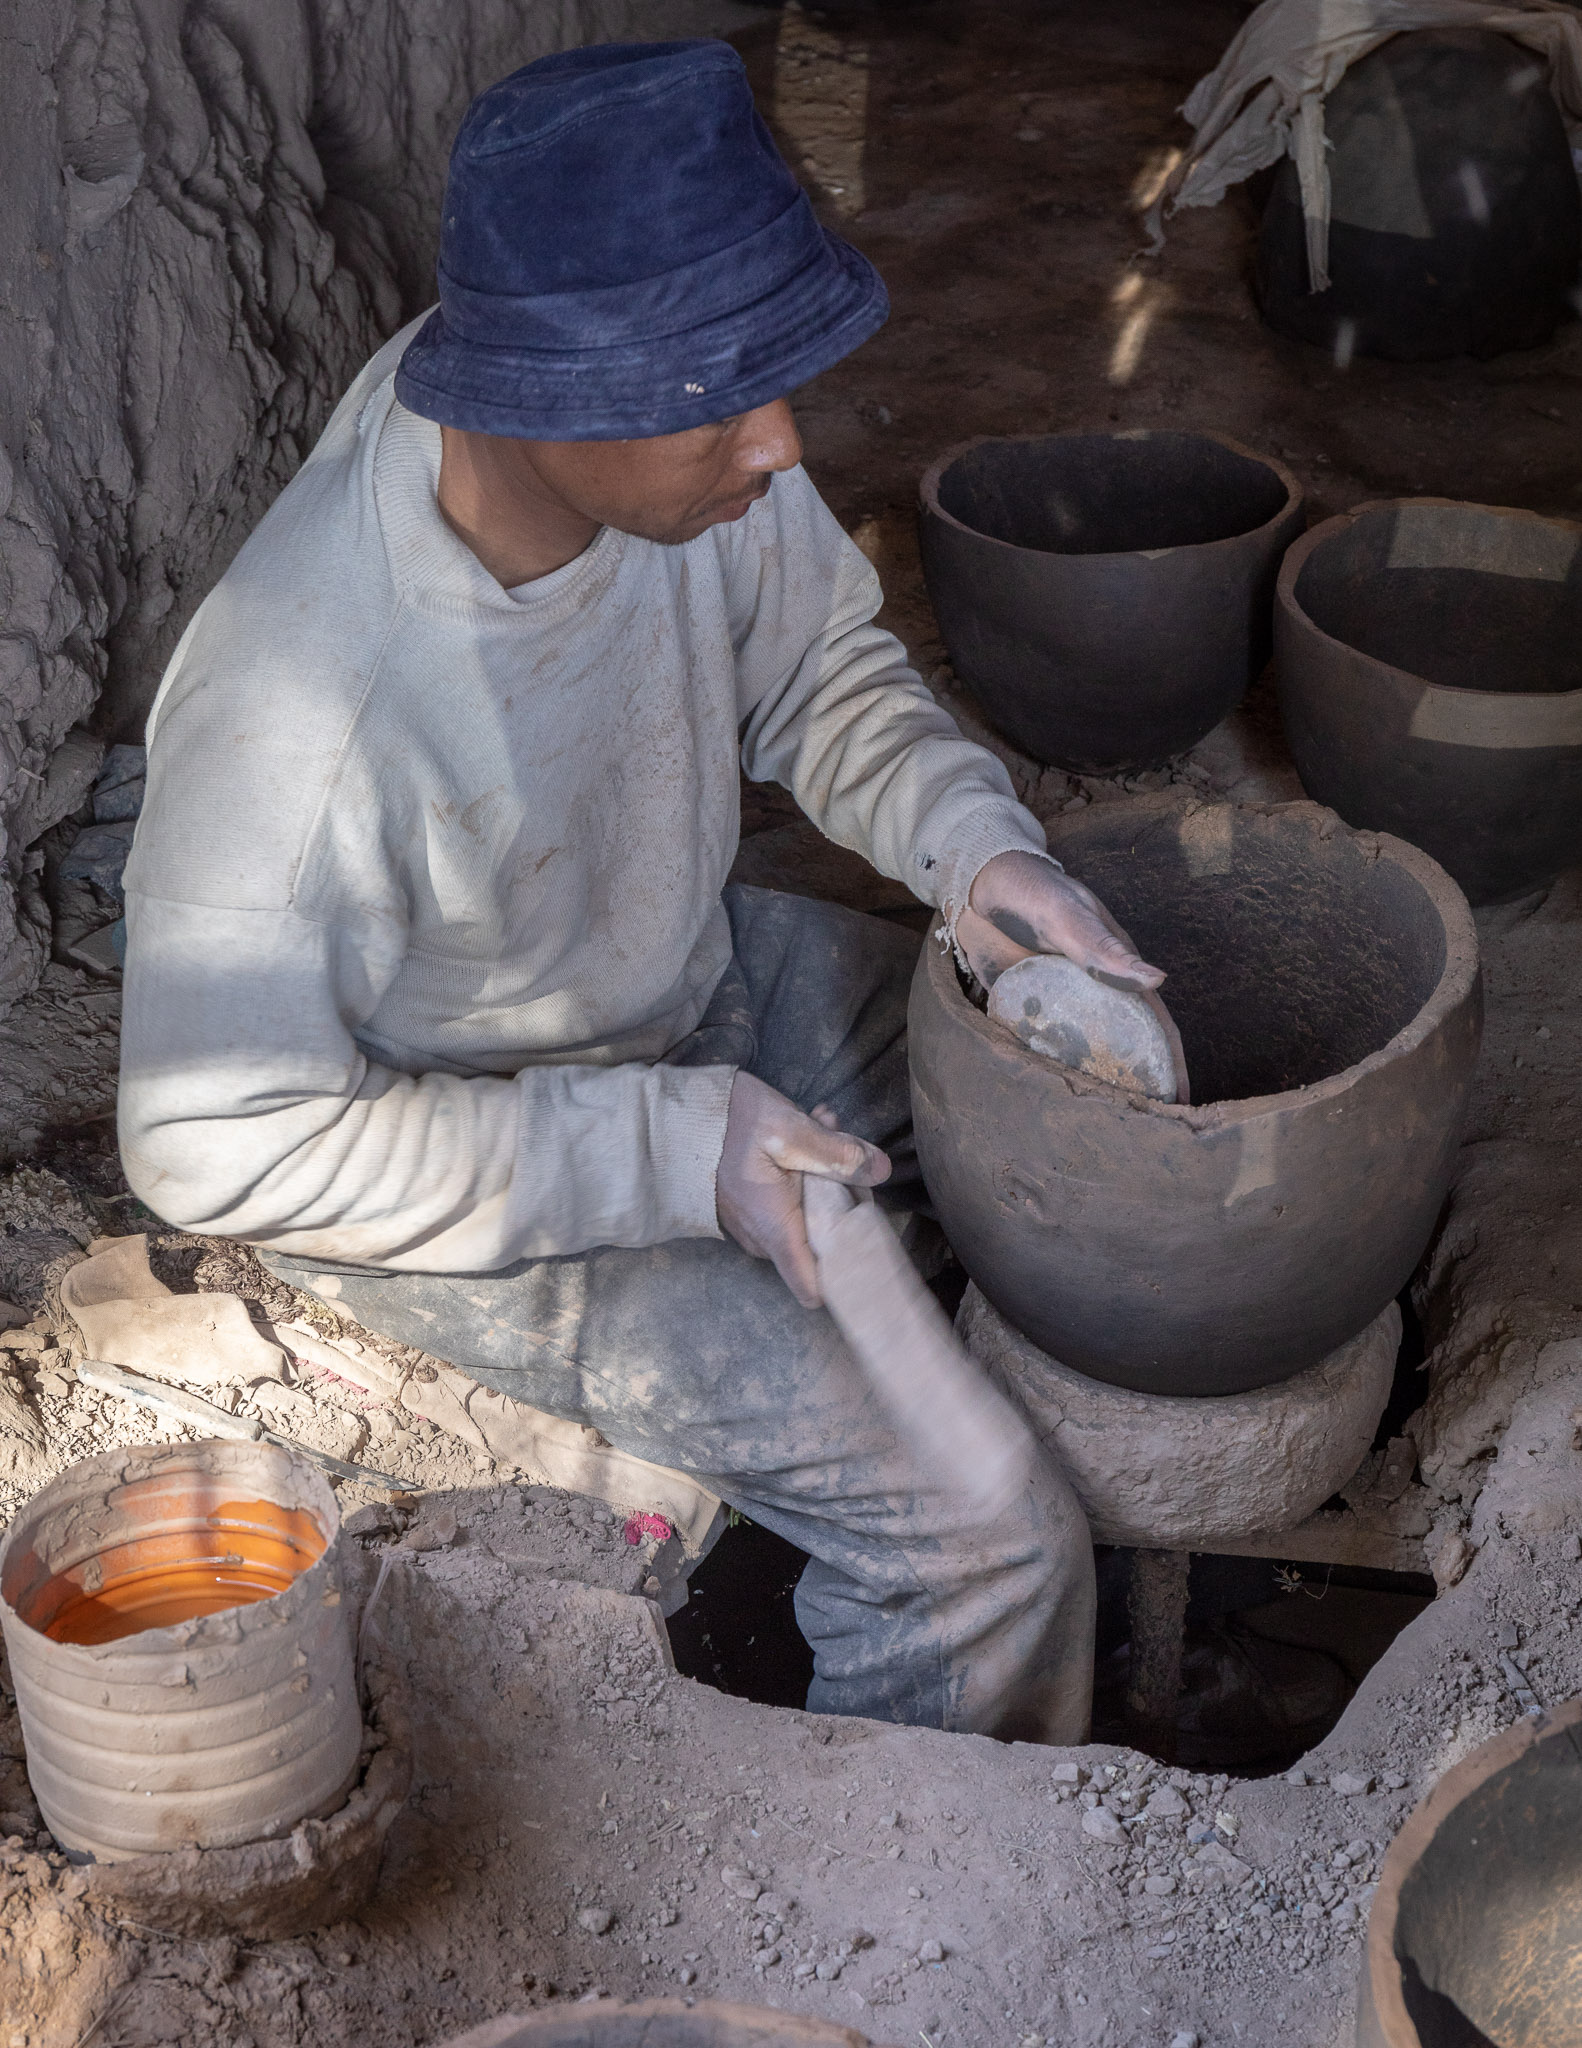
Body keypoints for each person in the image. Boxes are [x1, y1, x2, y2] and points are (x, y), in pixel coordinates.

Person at [118, 40, 1162, 1741]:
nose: (780, 439)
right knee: (986, 1537)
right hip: (470, 1147)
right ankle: (932, 1893)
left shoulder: (669, 420)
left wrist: (979, 851)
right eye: (721, 399)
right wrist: (674, 1151)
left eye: (774, 377)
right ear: (536, 397)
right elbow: (209, 1142)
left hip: (677, 976)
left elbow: (819, 666)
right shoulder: (303, 707)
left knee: (1051, 1090)